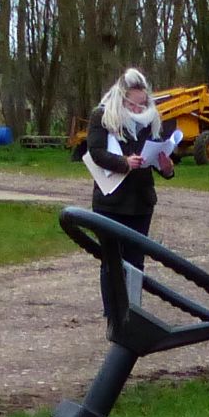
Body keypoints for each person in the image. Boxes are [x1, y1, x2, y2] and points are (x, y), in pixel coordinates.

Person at [84, 67, 175, 326]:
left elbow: (158, 154)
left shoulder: (150, 120)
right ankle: (113, 313)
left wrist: (167, 168)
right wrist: (124, 162)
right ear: (122, 98)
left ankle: (132, 312)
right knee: (111, 261)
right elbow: (96, 153)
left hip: (141, 202)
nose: (139, 109)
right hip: (110, 202)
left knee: (136, 261)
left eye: (143, 104)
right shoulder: (101, 117)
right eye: (134, 104)